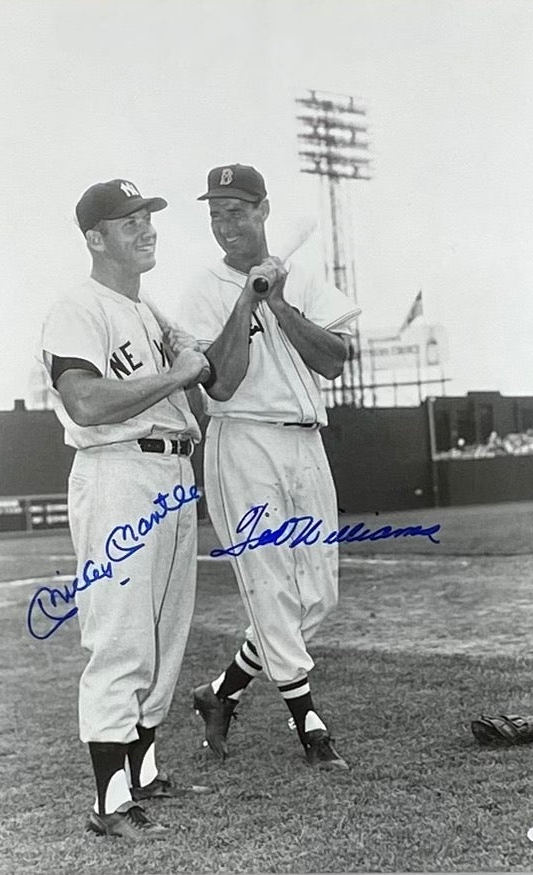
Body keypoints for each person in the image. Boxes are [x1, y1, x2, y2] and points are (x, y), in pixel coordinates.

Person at [40, 178, 211, 840]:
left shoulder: (146, 309)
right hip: (117, 473)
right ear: (94, 237)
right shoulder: (78, 307)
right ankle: (108, 801)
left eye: (148, 218)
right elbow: (84, 401)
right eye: (128, 220)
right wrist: (178, 373)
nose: (146, 229)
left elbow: (207, 377)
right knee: (120, 633)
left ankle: (141, 771)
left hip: (170, 468)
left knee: (166, 630)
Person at [180, 164, 361, 770]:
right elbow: (223, 385)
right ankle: (309, 724)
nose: (225, 225)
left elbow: (336, 361)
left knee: (319, 597)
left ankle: (221, 694)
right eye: (215, 214)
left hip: (307, 442)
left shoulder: (302, 275)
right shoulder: (200, 289)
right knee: (271, 587)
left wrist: (279, 302)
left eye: (236, 211)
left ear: (263, 211)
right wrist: (244, 301)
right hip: (244, 442)